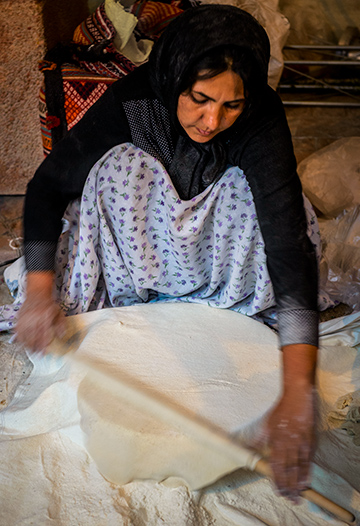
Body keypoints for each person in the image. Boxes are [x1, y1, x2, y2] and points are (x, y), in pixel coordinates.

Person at [5, 4, 321, 503]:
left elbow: (286, 242)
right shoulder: (134, 100)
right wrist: (40, 290)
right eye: (198, 98)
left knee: (262, 193)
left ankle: (224, 299)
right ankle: (142, 292)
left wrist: (299, 387)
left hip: (216, 252)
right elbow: (48, 186)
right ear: (175, 79)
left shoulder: (261, 120)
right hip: (146, 248)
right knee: (116, 168)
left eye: (230, 105)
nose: (212, 119)